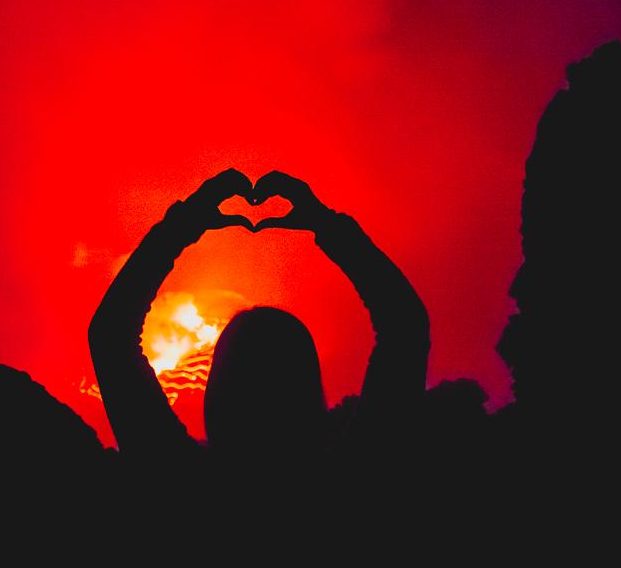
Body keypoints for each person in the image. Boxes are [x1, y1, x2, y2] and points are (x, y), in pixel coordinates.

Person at [88, 169, 430, 463]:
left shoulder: (175, 476)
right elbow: (405, 326)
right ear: (308, 391)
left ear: (218, 394)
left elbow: (110, 335)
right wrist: (325, 223)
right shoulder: (358, 474)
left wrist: (182, 226)